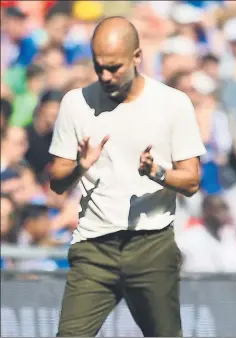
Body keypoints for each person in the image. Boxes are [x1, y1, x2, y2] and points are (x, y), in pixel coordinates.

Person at [48, 17, 205, 337]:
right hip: (94, 246)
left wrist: (156, 173)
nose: (105, 76)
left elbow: (191, 181)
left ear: (137, 57)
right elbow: (57, 181)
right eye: (98, 67)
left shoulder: (173, 103)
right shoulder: (75, 103)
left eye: (114, 67)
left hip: (151, 244)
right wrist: (80, 165)